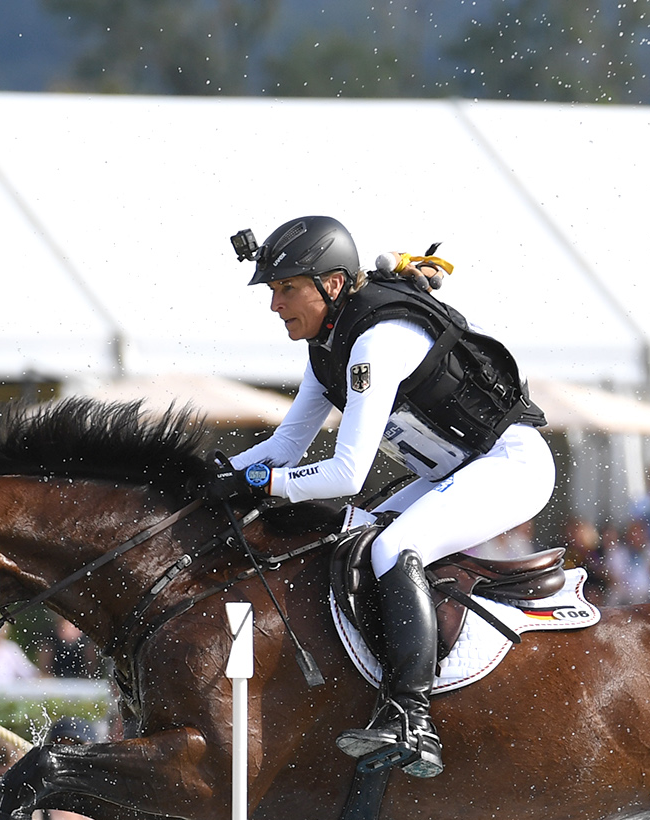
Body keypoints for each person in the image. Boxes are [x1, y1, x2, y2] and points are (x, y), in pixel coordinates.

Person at [222, 217, 553, 779]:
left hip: (510, 465)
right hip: (454, 472)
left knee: (392, 546)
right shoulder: (327, 349)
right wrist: (208, 476)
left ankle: (411, 716)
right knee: (346, 535)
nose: (275, 306)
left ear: (331, 284)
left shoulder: (376, 341)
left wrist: (262, 484)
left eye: (285, 290)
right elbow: (284, 444)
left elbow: (348, 472)